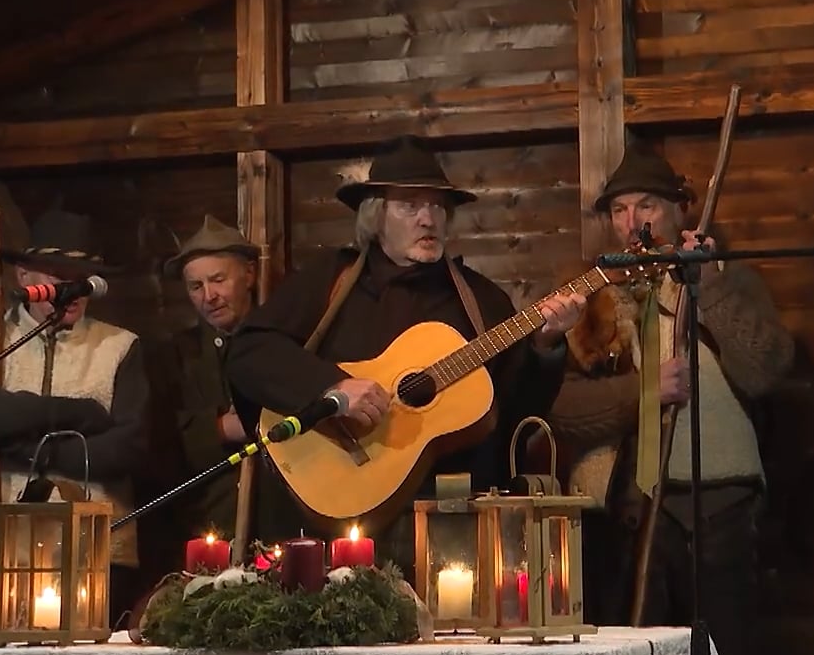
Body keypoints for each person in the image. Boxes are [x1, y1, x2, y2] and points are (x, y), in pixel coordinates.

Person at [545, 150, 794, 655]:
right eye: (620, 211)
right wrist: (644, 392)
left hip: (719, 504)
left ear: (679, 211)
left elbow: (769, 368)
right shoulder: (590, 297)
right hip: (622, 516)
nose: (633, 222)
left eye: (646, 207)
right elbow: (557, 405)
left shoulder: (726, 278)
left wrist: (706, 286)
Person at [222, 135, 586, 565]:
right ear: (376, 217)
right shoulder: (330, 281)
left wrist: (545, 347)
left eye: (436, 207)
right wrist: (332, 388)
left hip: (448, 528)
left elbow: (515, 412)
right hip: (329, 522)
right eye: (410, 206)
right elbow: (248, 354)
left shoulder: (482, 301)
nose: (427, 219)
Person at [0, 207, 150, 624]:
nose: (71, 287)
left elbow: (128, 447)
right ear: (25, 278)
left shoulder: (120, 346)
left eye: (81, 275)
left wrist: (33, 452)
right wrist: (76, 414)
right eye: (56, 274)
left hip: (93, 550)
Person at [156, 215, 304, 544]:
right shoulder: (175, 358)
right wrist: (221, 428)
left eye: (218, 280)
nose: (209, 295)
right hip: (206, 529)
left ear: (249, 274)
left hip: (284, 524)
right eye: (196, 286)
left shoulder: (288, 345)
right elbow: (159, 443)